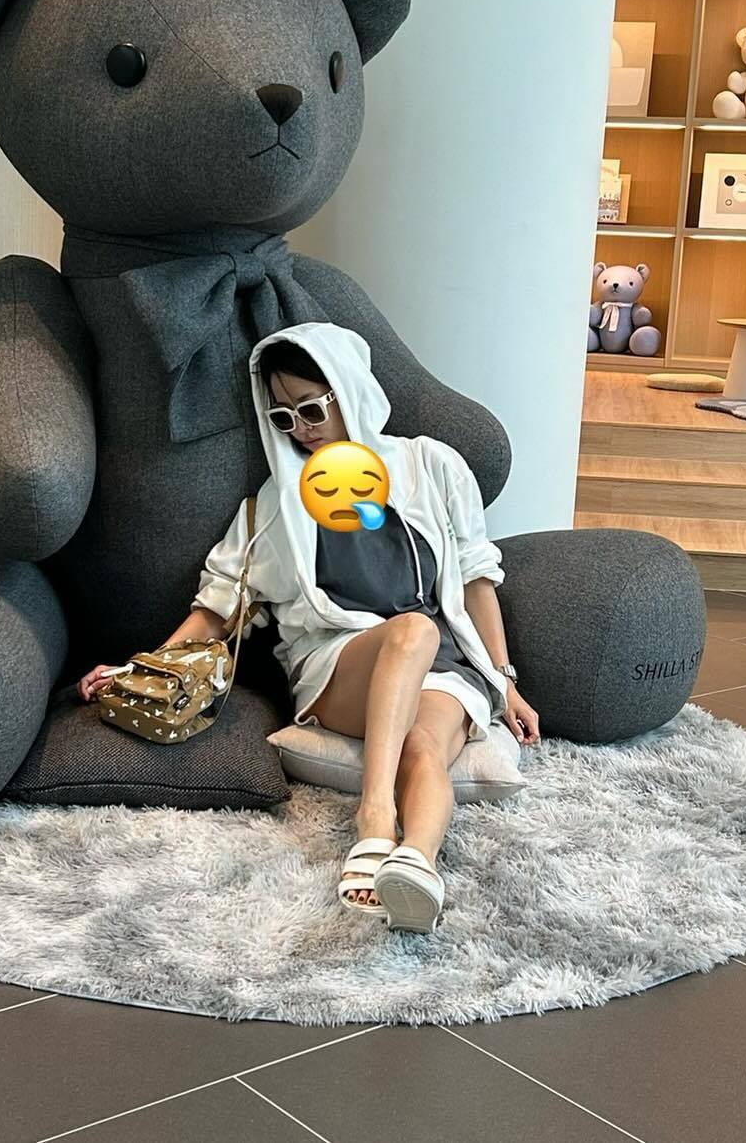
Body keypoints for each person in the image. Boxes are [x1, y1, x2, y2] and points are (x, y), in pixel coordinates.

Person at [78, 320, 540, 934]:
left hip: (444, 668)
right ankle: (374, 822)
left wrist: (504, 681)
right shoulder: (281, 502)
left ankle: (417, 865)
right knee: (412, 631)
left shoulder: (432, 465)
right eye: (284, 417)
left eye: (312, 408)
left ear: (348, 390)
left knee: (424, 746)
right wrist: (141, 670)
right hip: (338, 666)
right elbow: (218, 607)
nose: (302, 428)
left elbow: (477, 578)